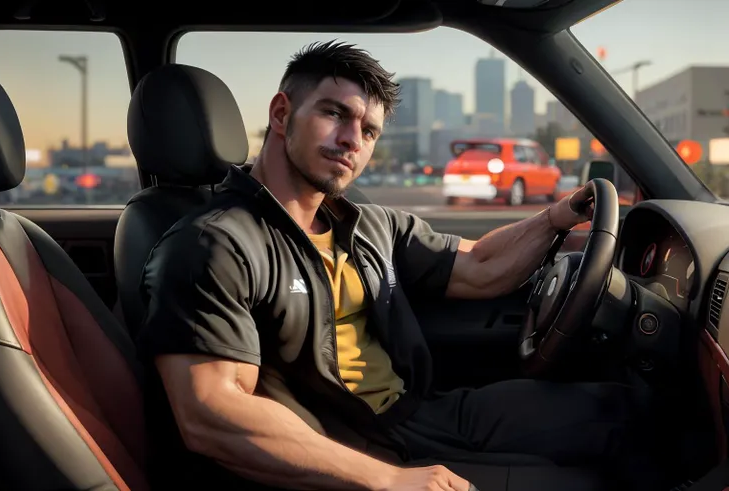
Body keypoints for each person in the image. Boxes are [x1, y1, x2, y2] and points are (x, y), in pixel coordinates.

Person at [137, 41, 653, 491]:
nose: (352, 141)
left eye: (369, 131)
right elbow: (212, 414)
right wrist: (386, 479)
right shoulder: (215, 244)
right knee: (584, 481)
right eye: (335, 114)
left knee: (623, 413)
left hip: (420, 413)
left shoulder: (368, 225)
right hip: (347, 448)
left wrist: (557, 217)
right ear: (280, 114)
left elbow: (480, 265)